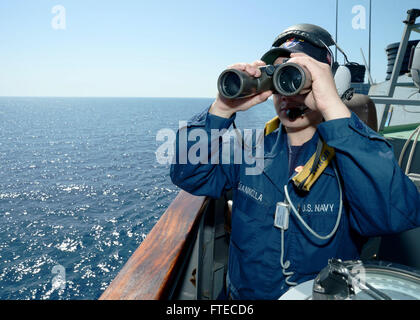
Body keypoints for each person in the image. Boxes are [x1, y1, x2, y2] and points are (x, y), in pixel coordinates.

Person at [170, 24, 420, 300]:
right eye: (279, 80)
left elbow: (394, 216)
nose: (288, 94)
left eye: (297, 78)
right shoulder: (251, 149)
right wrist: (221, 108)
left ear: (330, 82)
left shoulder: (353, 157)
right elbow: (187, 173)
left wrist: (332, 106)